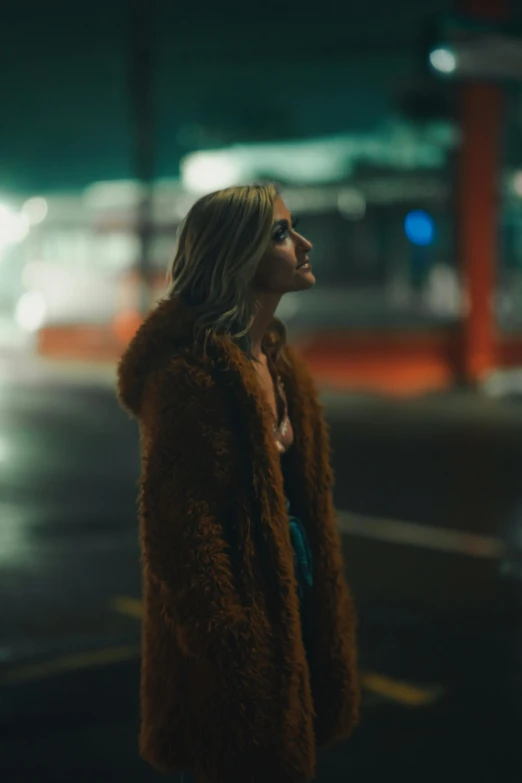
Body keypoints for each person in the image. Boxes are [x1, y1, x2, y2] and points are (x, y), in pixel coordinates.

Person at [117, 183, 359, 783]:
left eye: (292, 228)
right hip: (237, 640)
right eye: (280, 234)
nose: (302, 244)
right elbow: (180, 535)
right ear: (235, 255)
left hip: (292, 597)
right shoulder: (190, 379)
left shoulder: (276, 361)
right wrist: (233, 652)